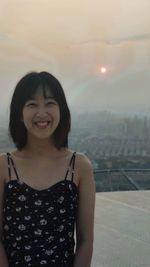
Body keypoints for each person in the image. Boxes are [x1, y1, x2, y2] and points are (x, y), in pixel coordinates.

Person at [0, 71, 95, 267]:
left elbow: (85, 241)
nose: (41, 113)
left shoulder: (79, 166)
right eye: (32, 104)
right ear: (19, 113)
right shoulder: (4, 167)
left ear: (62, 110)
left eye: (50, 103)